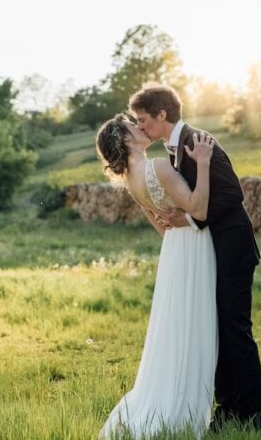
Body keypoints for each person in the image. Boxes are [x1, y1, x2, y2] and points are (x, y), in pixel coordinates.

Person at [129, 84, 261, 432]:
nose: (140, 127)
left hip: (232, 250)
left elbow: (234, 194)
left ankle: (250, 416)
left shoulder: (198, 141)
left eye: (143, 120)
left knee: (235, 331)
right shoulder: (174, 151)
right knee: (215, 331)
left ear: (162, 115)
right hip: (211, 253)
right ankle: (226, 411)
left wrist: (189, 218)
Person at [96, 114, 218, 439]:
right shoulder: (159, 168)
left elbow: (163, 230)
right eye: (132, 126)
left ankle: (177, 394)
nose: (140, 126)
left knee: (178, 326)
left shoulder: (133, 182)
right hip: (193, 247)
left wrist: (178, 223)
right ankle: (187, 406)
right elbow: (199, 209)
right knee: (196, 323)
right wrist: (203, 163)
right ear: (125, 140)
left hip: (174, 252)